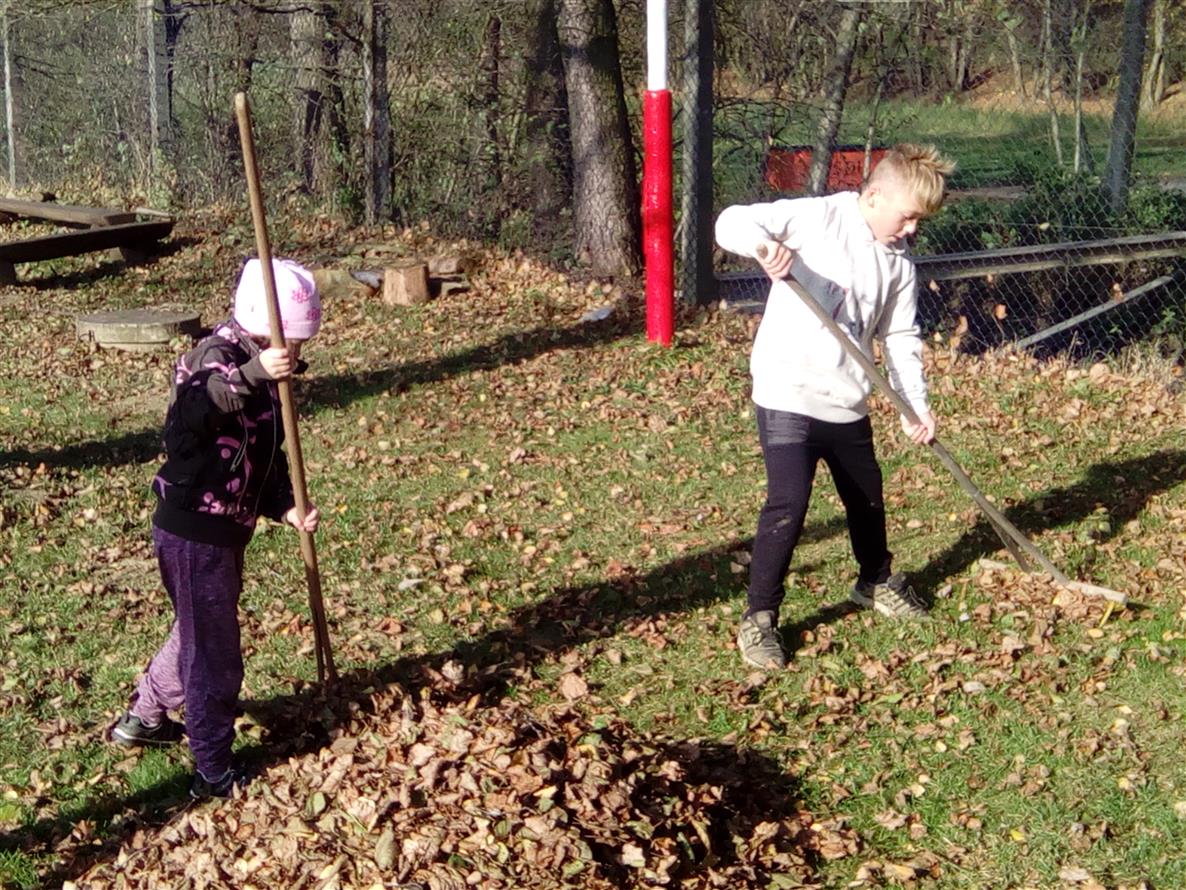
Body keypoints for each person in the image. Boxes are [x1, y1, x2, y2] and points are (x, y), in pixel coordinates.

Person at [715, 143, 956, 670]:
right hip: (788, 391)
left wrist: (914, 405)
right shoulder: (818, 218)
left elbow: (899, 337)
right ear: (874, 196)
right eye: (907, 216)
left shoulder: (899, 265)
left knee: (866, 498)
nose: (912, 229)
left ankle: (874, 582)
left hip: (847, 399)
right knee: (789, 504)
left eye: (919, 220)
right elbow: (730, 222)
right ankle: (760, 617)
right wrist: (763, 247)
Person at [109, 258, 322, 799]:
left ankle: (144, 718)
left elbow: (264, 453)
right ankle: (212, 769)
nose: (295, 354)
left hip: (224, 530)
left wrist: (285, 506)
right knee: (213, 654)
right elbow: (200, 409)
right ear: (262, 325)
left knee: (195, 632)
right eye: (290, 342)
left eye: (300, 345)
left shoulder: (266, 369)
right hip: (193, 530)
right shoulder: (214, 358)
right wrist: (254, 374)